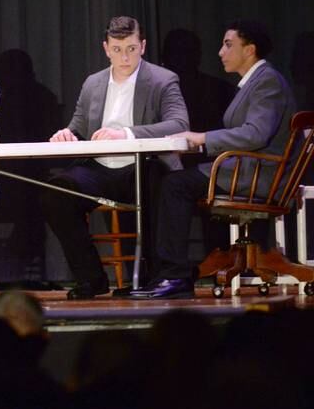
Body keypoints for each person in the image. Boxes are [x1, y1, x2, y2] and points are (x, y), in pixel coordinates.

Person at [132, 20, 296, 299]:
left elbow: (255, 134)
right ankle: (167, 272)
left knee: (175, 185)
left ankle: (174, 275)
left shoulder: (266, 81)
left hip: (258, 176)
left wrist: (203, 138)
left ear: (250, 50)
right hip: (244, 169)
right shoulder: (252, 83)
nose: (220, 52)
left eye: (228, 45)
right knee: (171, 176)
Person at [41, 16, 189, 300]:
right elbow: (79, 126)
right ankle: (91, 278)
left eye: (131, 49)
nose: (125, 56)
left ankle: (155, 277)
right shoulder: (93, 84)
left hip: (142, 165)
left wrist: (127, 133)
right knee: (55, 194)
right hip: (100, 167)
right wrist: (66, 134)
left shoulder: (162, 79)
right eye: (118, 49)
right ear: (106, 48)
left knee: (161, 183)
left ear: (142, 46)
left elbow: (180, 124)